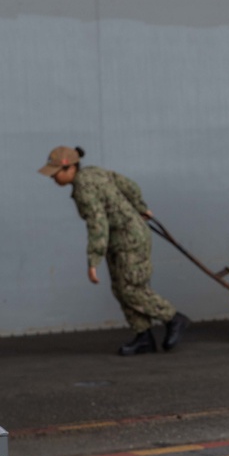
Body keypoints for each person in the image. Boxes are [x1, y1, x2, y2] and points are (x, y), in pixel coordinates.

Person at [38, 146, 189, 355]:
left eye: (56, 173)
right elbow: (128, 185)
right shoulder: (94, 172)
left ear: (71, 168)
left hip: (129, 239)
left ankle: (173, 318)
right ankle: (143, 335)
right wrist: (140, 207)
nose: (53, 178)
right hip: (119, 239)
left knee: (130, 289)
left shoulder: (84, 188)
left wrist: (93, 260)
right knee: (121, 288)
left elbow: (97, 224)